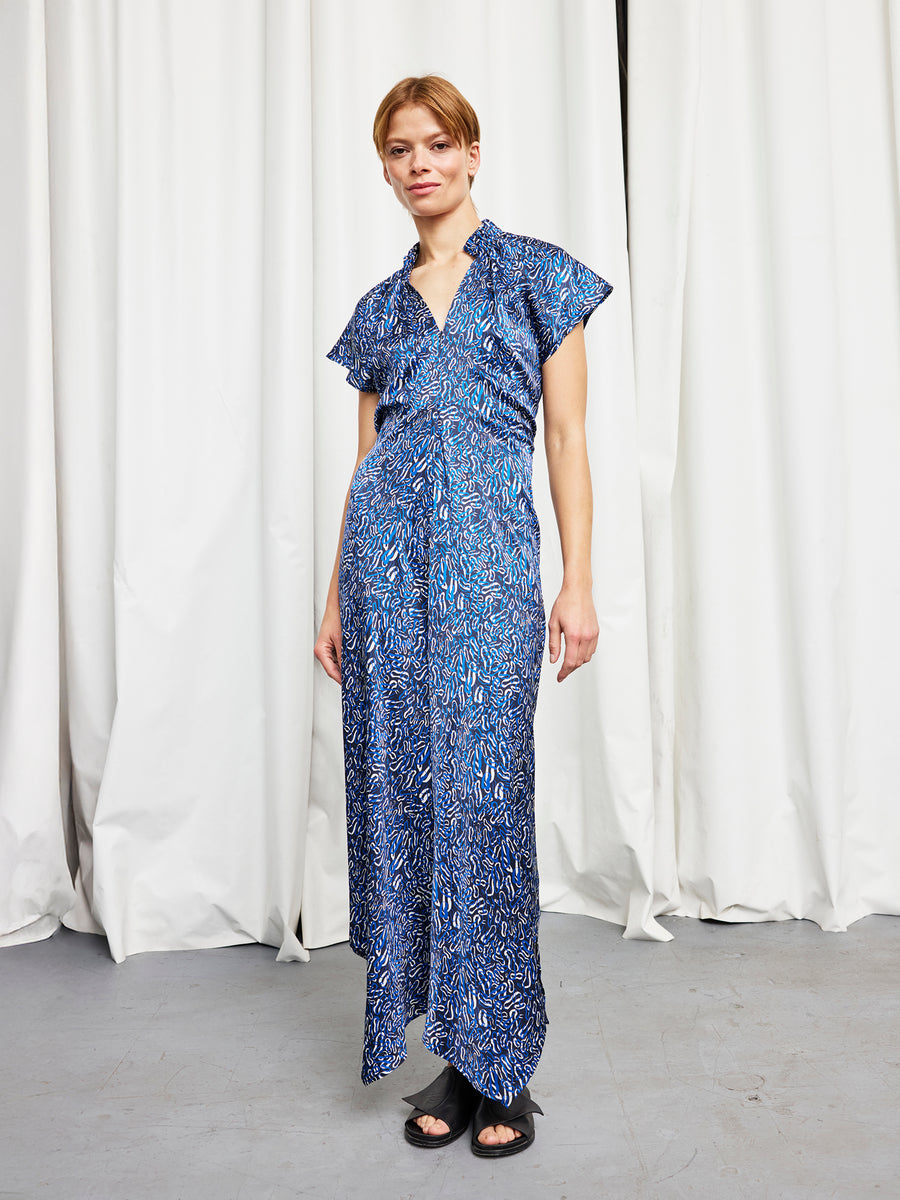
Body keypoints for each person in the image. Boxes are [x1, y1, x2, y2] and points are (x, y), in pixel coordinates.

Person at [314, 74, 612, 1158]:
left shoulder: (536, 276)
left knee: (486, 800)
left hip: (490, 567)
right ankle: (455, 1053)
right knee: (410, 805)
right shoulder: (379, 310)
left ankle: (506, 1066)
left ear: (472, 152)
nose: (419, 164)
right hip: (386, 579)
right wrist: (334, 593)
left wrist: (577, 582)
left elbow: (568, 442)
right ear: (384, 167)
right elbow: (363, 464)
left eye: (437, 143)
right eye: (399, 149)